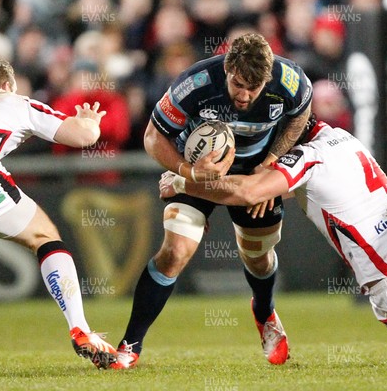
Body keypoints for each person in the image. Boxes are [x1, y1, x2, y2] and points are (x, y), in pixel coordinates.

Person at [160, 114, 387, 352]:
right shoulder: (343, 137)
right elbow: (306, 187)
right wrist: (267, 186)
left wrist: (185, 182)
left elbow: (247, 193)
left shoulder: (303, 157)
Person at [112, 33, 312, 369]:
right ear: (227, 67)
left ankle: (264, 313)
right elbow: (152, 136)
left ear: (268, 77)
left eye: (254, 87)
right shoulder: (195, 84)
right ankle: (130, 345)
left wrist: (271, 164)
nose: (245, 95)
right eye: (238, 84)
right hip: (197, 172)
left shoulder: (290, 81)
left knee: (258, 259)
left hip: (253, 174)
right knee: (174, 252)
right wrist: (185, 169)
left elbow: (300, 116)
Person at [0, 56, 117, 369]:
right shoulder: (14, 101)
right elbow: (81, 137)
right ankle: (81, 330)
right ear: (6, 85)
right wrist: (90, 122)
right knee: (44, 237)